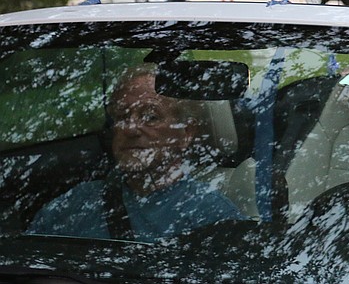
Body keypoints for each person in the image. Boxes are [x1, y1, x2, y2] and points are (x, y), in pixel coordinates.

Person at [28, 67, 244, 241]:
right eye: (122, 116)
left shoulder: (211, 214)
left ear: (185, 133)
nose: (130, 128)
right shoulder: (75, 204)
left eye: (150, 116)